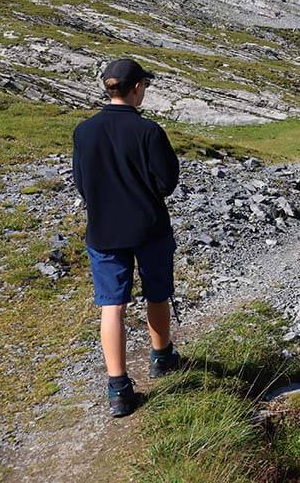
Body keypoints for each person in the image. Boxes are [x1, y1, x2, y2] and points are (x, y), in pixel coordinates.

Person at [72, 59, 181, 417]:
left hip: (103, 230)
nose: (144, 91)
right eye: (144, 86)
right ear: (136, 88)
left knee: (111, 304)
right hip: (149, 227)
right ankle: (161, 357)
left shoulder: (84, 131)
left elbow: (82, 183)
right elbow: (166, 183)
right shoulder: (149, 132)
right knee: (156, 292)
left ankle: (118, 387)